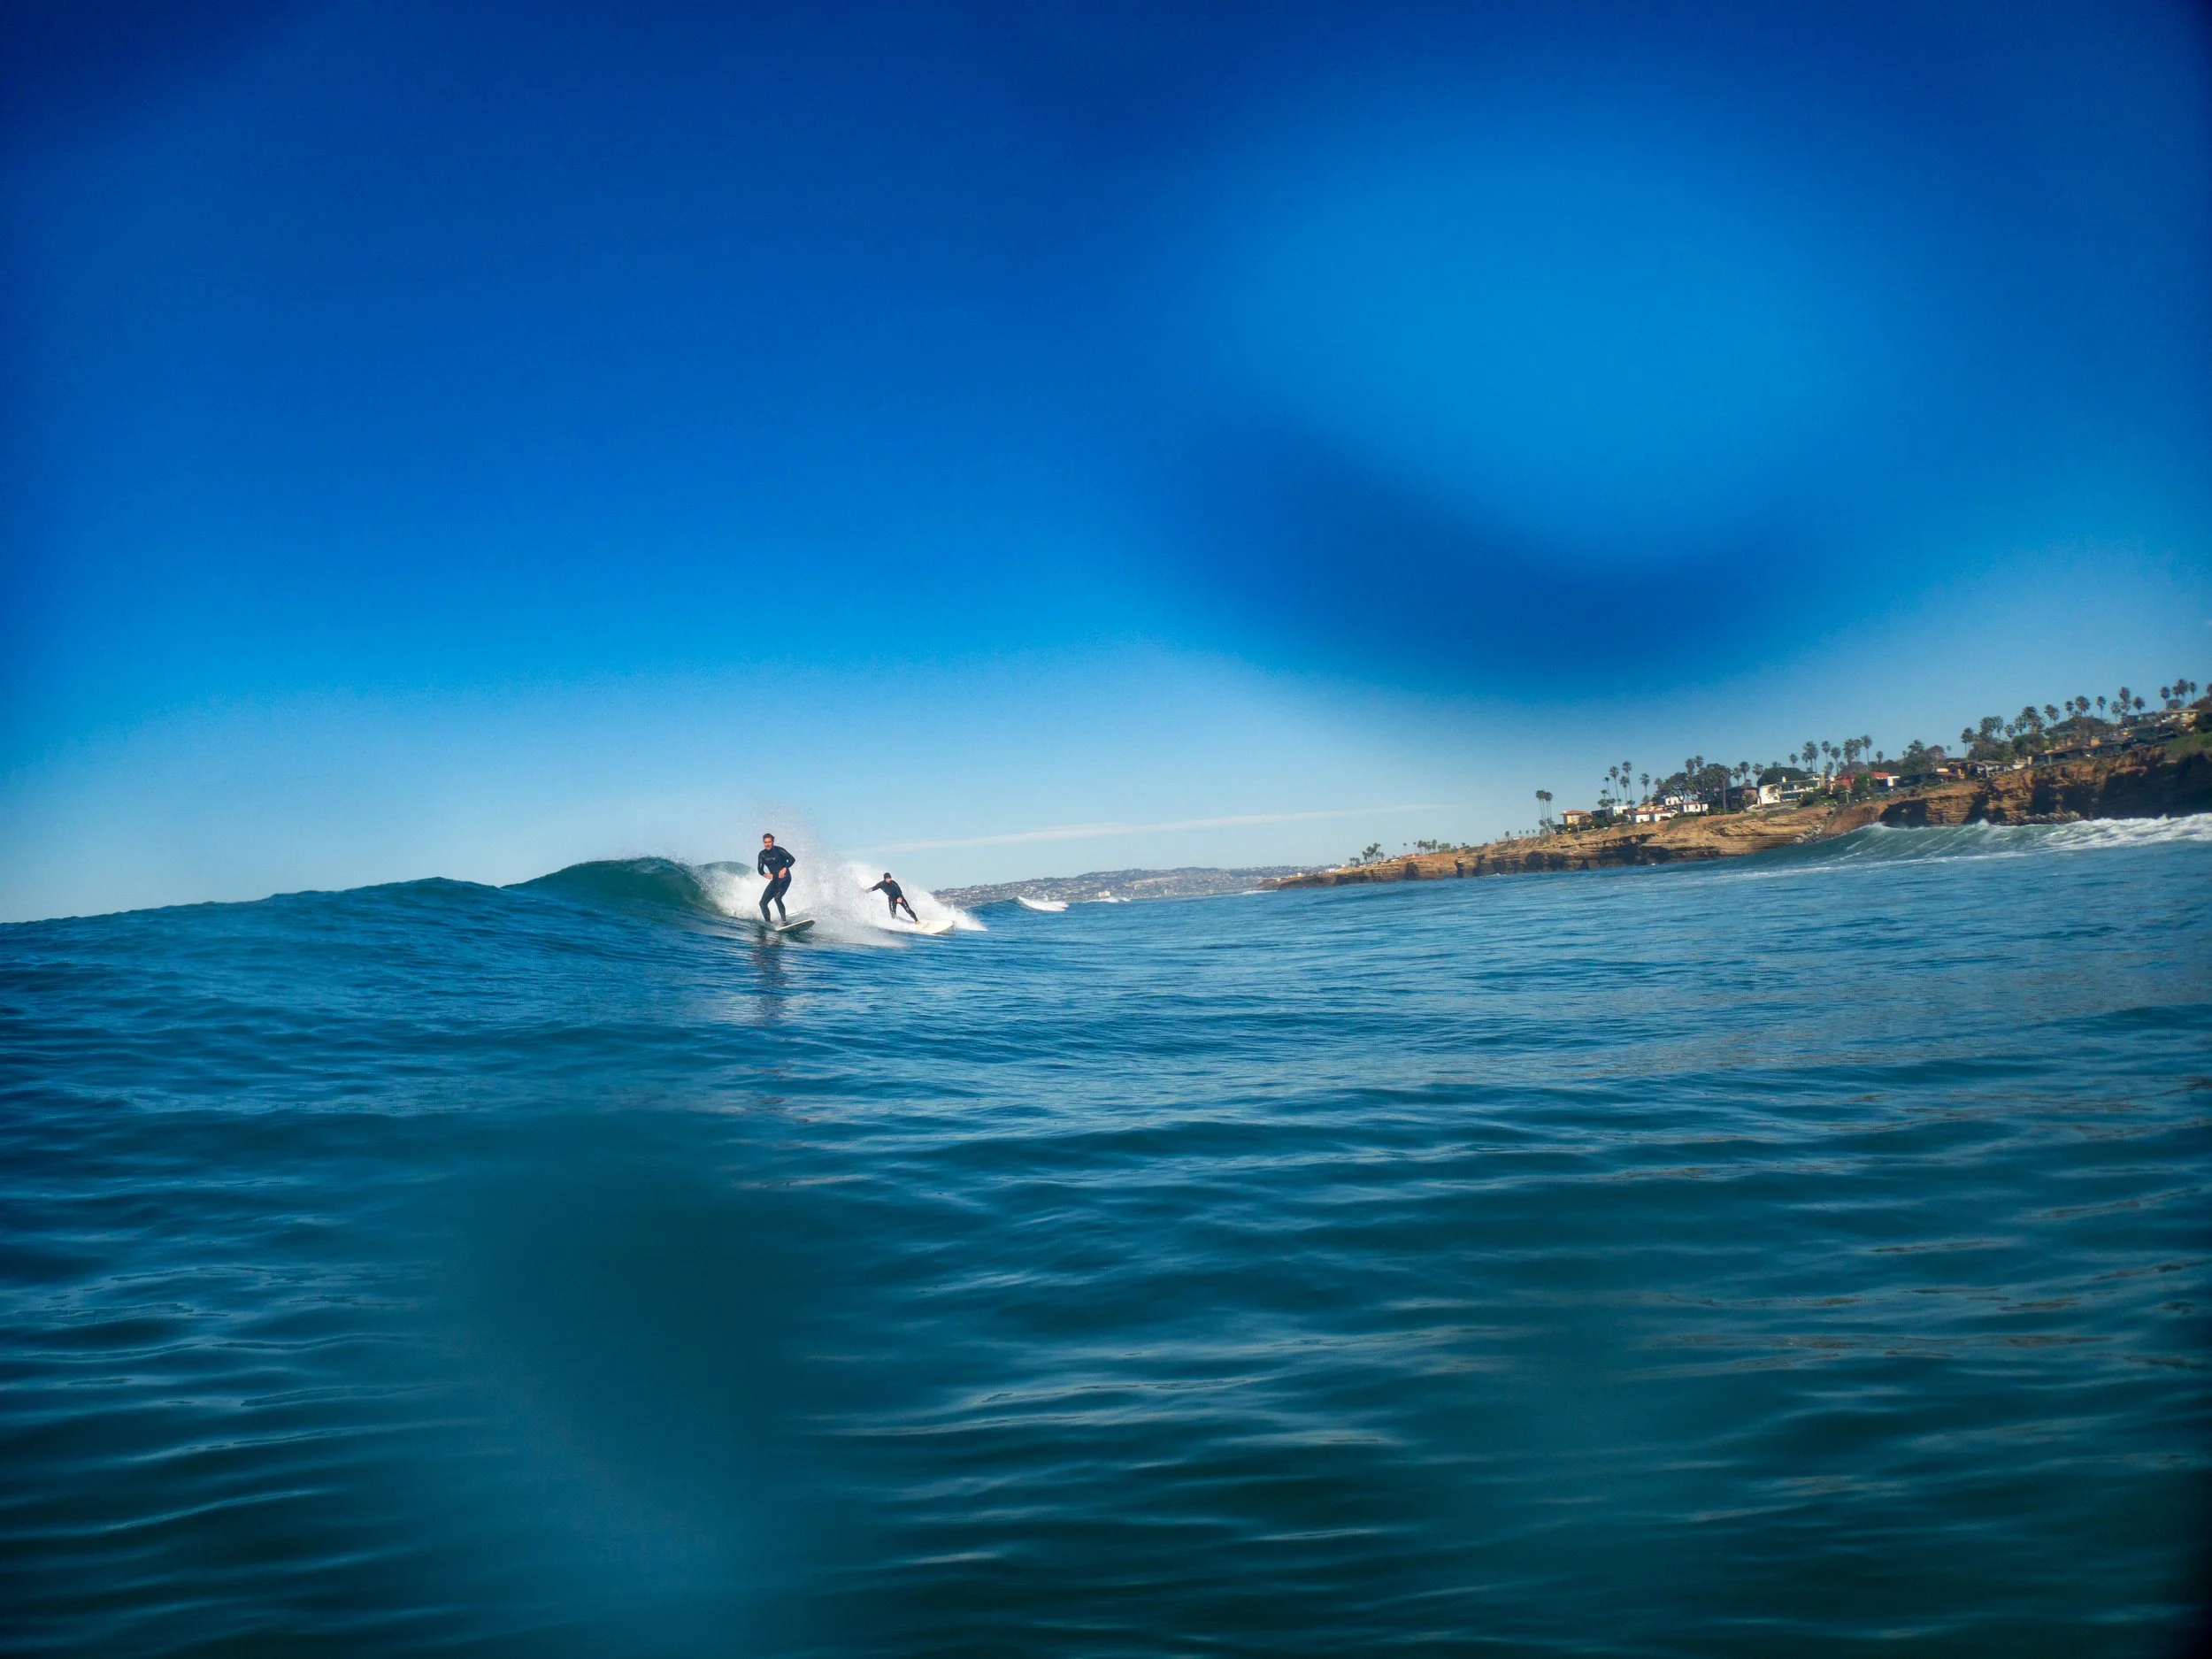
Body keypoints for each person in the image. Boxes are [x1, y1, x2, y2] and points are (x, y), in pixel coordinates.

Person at [757, 833, 796, 924]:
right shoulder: (762, 854)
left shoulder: (779, 850)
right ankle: (768, 923)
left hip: (785, 877)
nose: (767, 844)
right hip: (775, 880)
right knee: (762, 903)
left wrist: (785, 868)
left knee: (777, 898)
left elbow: (792, 859)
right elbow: (760, 869)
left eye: (769, 842)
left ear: (773, 842)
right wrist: (765, 874)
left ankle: (784, 922)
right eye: (765, 842)